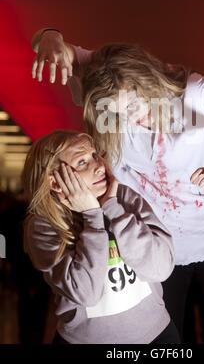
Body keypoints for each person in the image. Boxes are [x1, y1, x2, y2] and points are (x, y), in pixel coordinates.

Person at [31, 28, 204, 343]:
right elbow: (51, 42)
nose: (127, 118)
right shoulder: (105, 76)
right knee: (165, 337)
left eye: (131, 107)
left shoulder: (195, 94)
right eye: (115, 113)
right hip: (153, 244)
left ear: (145, 80)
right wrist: (49, 39)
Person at [22, 129, 178, 344]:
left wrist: (112, 208)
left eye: (95, 156)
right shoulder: (43, 226)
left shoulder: (122, 197)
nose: (99, 166)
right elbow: (86, 293)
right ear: (56, 182)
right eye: (82, 162)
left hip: (157, 335)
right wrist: (92, 217)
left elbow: (161, 268)